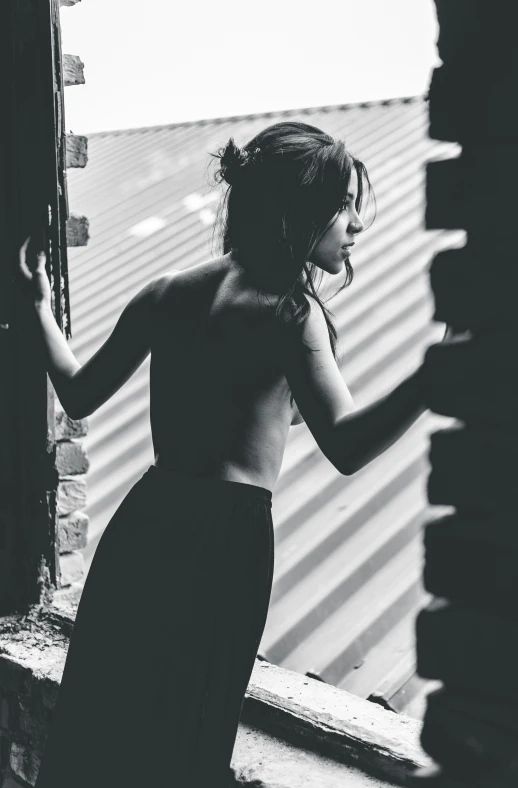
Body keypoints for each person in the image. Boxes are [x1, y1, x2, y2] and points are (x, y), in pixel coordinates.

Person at [19, 121, 445, 788]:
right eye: (343, 205)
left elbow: (77, 392)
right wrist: (429, 378)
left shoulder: (167, 292)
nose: (356, 224)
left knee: (105, 725)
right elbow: (348, 445)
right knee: (186, 738)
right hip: (223, 543)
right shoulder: (289, 314)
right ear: (295, 212)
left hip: (145, 526)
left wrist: (39, 307)